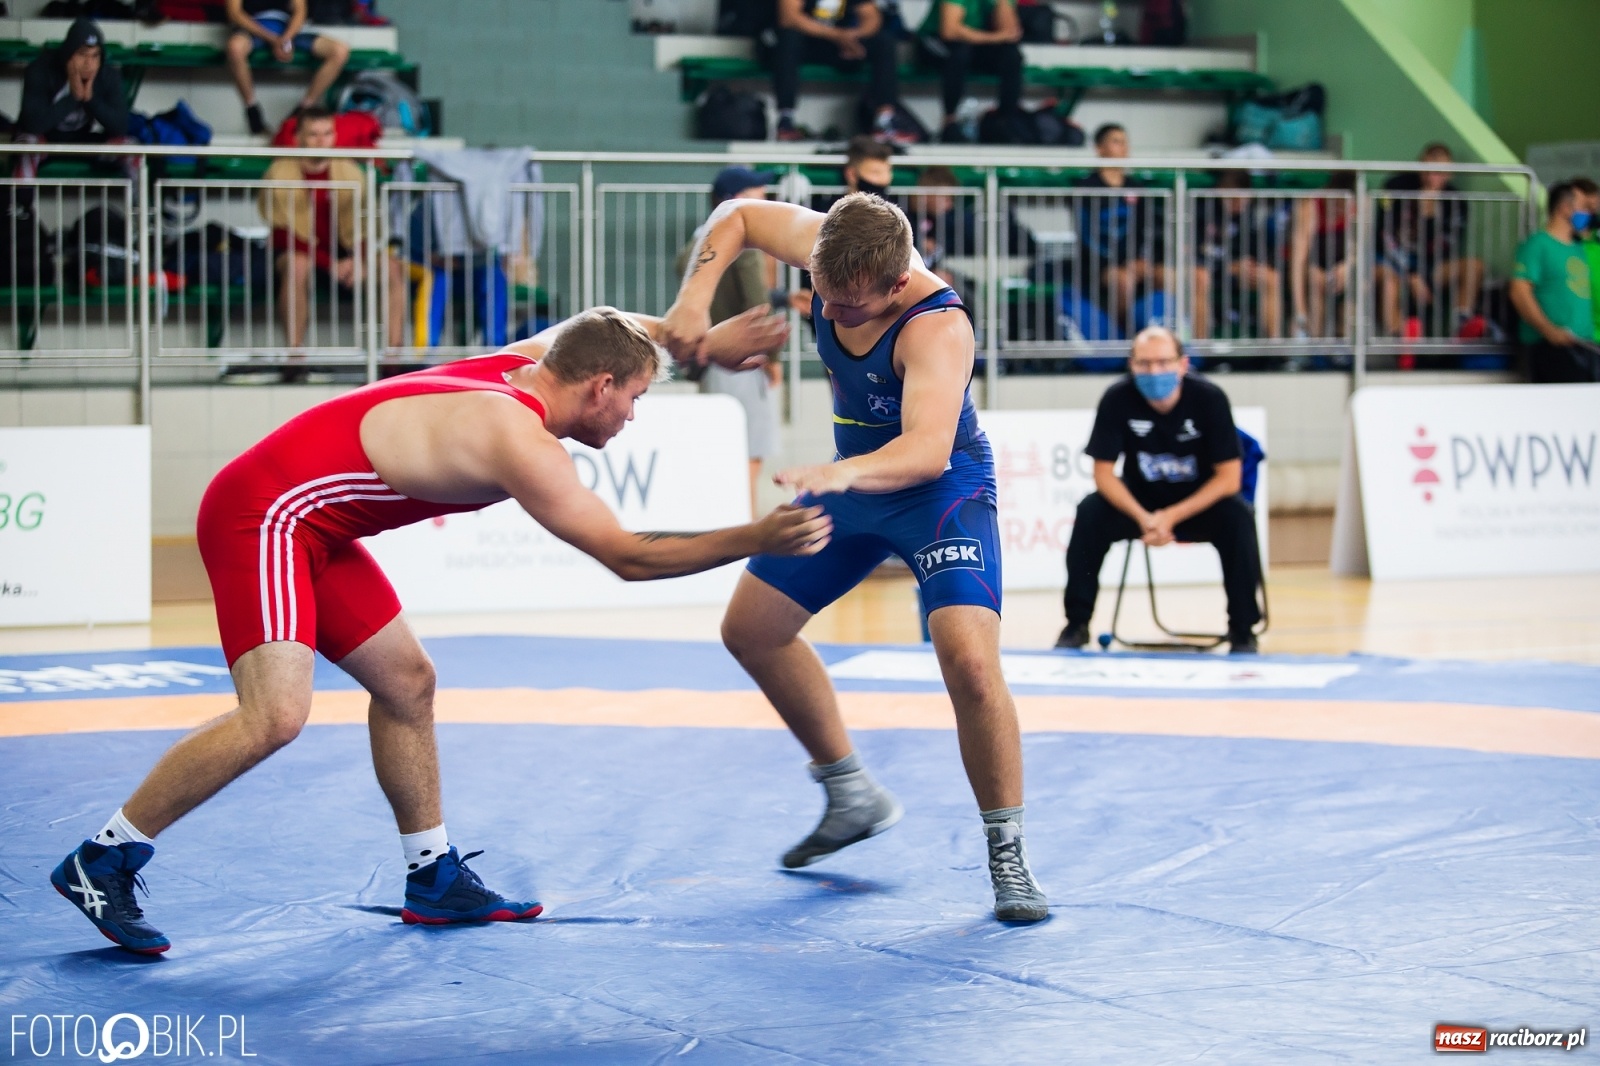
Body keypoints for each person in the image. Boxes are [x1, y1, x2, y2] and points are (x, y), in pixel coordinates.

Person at [50, 306, 831, 954]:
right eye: (634, 400)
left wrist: (692, 341)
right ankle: (102, 859)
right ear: (599, 388)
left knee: (408, 682)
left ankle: (432, 876)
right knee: (276, 717)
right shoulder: (516, 438)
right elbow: (627, 556)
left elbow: (613, 323)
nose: (632, 417)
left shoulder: (530, 361)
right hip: (265, 517)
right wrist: (755, 536)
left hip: (313, 528)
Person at [661, 192, 1050, 924]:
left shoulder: (938, 326)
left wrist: (841, 474)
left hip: (938, 491)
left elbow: (926, 450)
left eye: (849, 307)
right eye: (821, 296)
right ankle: (850, 790)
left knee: (967, 659)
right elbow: (738, 213)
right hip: (851, 479)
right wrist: (694, 304)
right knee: (750, 629)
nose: (830, 315)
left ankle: (1008, 851)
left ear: (897, 284)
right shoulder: (831, 247)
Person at [1054, 326, 1262, 655]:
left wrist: (1171, 517)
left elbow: (1229, 478)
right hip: (1141, 504)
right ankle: (1076, 624)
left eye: (1164, 363)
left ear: (1183, 364)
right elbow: (1104, 474)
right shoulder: (1117, 398)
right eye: (1145, 364)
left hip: (1197, 503)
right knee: (1090, 512)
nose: (1155, 372)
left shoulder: (1209, 398)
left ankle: (1242, 629)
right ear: (1132, 365)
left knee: (1238, 516)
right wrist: (1145, 518)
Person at [675, 166, 789, 515]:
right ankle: (744, 533)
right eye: (757, 192)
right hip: (744, 361)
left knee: (722, 455)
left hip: (709, 361)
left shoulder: (690, 250)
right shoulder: (745, 246)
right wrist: (773, 358)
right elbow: (758, 306)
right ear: (734, 200)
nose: (766, 199)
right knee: (749, 456)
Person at [259, 107, 407, 360]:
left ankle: (393, 358)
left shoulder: (350, 171)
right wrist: (330, 265)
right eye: (314, 134)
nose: (321, 141)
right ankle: (295, 357)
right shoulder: (279, 172)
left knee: (392, 267)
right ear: (298, 138)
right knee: (297, 265)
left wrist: (359, 260)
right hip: (300, 252)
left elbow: (364, 226)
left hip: (345, 252)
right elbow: (284, 235)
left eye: (327, 134)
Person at [1374, 143, 1485, 339]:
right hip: (1393, 262)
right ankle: (1400, 337)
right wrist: (1411, 274)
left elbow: (1450, 244)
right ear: (1420, 167)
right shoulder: (1395, 186)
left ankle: (1461, 325)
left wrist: (1432, 211)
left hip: (1432, 265)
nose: (1433, 177)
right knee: (1389, 282)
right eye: (1429, 170)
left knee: (1474, 266)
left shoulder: (1456, 201)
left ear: (1450, 173)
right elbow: (1385, 236)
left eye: (1441, 172)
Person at [768, 0, 903, 144]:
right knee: (789, 39)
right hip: (807, 43)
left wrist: (854, 36)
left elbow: (872, 18)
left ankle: (885, 121)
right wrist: (837, 35)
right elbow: (789, 18)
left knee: (884, 41)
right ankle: (786, 120)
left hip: (840, 45)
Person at [1074, 124, 1165, 329]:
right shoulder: (1086, 187)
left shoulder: (1136, 187)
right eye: (1116, 141)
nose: (1123, 147)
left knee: (1167, 277)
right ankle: (1123, 344)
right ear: (1100, 148)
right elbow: (1087, 234)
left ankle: (1162, 337)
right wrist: (1120, 263)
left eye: (1125, 142)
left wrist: (1141, 259)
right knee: (1124, 281)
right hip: (1099, 264)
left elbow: (1144, 229)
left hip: (1132, 260)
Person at [15, 18, 129, 181]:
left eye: (95, 56)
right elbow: (32, 124)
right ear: (68, 55)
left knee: (130, 147)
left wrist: (91, 99)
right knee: (27, 144)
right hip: (47, 141)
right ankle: (22, 204)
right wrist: (72, 98)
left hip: (84, 142)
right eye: (82, 54)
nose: (89, 64)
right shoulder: (40, 69)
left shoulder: (107, 74)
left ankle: (141, 206)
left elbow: (121, 126)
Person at [1510, 178, 1597, 383]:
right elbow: (1519, 291)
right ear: (1566, 208)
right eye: (1584, 208)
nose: (1589, 215)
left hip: (1584, 345)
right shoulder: (1538, 245)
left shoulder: (1578, 249)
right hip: (1551, 347)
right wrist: (1548, 330)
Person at [225, 0, 352, 136]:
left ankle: (303, 110)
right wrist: (272, 39)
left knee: (339, 51)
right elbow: (234, 13)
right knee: (235, 47)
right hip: (253, 27)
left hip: (288, 29)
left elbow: (300, 11)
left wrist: (286, 39)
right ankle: (252, 110)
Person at [1191, 170, 1285, 341]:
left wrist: (1250, 265)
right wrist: (1227, 266)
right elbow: (1193, 254)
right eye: (1234, 196)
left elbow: (1257, 250)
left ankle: (1274, 348)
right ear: (1220, 191)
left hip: (1235, 274)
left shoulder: (1247, 216)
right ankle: (1201, 349)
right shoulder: (1200, 210)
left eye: (1244, 197)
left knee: (1272, 278)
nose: (1240, 202)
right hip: (1208, 272)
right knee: (1201, 277)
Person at [916, 0, 1024, 145]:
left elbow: (1010, 33)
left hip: (973, 43)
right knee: (958, 54)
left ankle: (1005, 121)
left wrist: (1002, 3)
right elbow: (950, 31)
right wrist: (995, 38)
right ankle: (950, 121)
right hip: (934, 41)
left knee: (1012, 55)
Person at [1290, 170, 1356, 339]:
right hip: (1312, 266)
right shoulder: (1310, 206)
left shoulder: (1357, 207)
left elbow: (1359, 250)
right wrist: (1300, 311)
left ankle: (1345, 344)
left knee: (1359, 283)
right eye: (1337, 204)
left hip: (1339, 268)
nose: (1339, 210)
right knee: (1315, 284)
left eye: (1343, 206)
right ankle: (1315, 342)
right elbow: (1298, 262)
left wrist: (1347, 266)